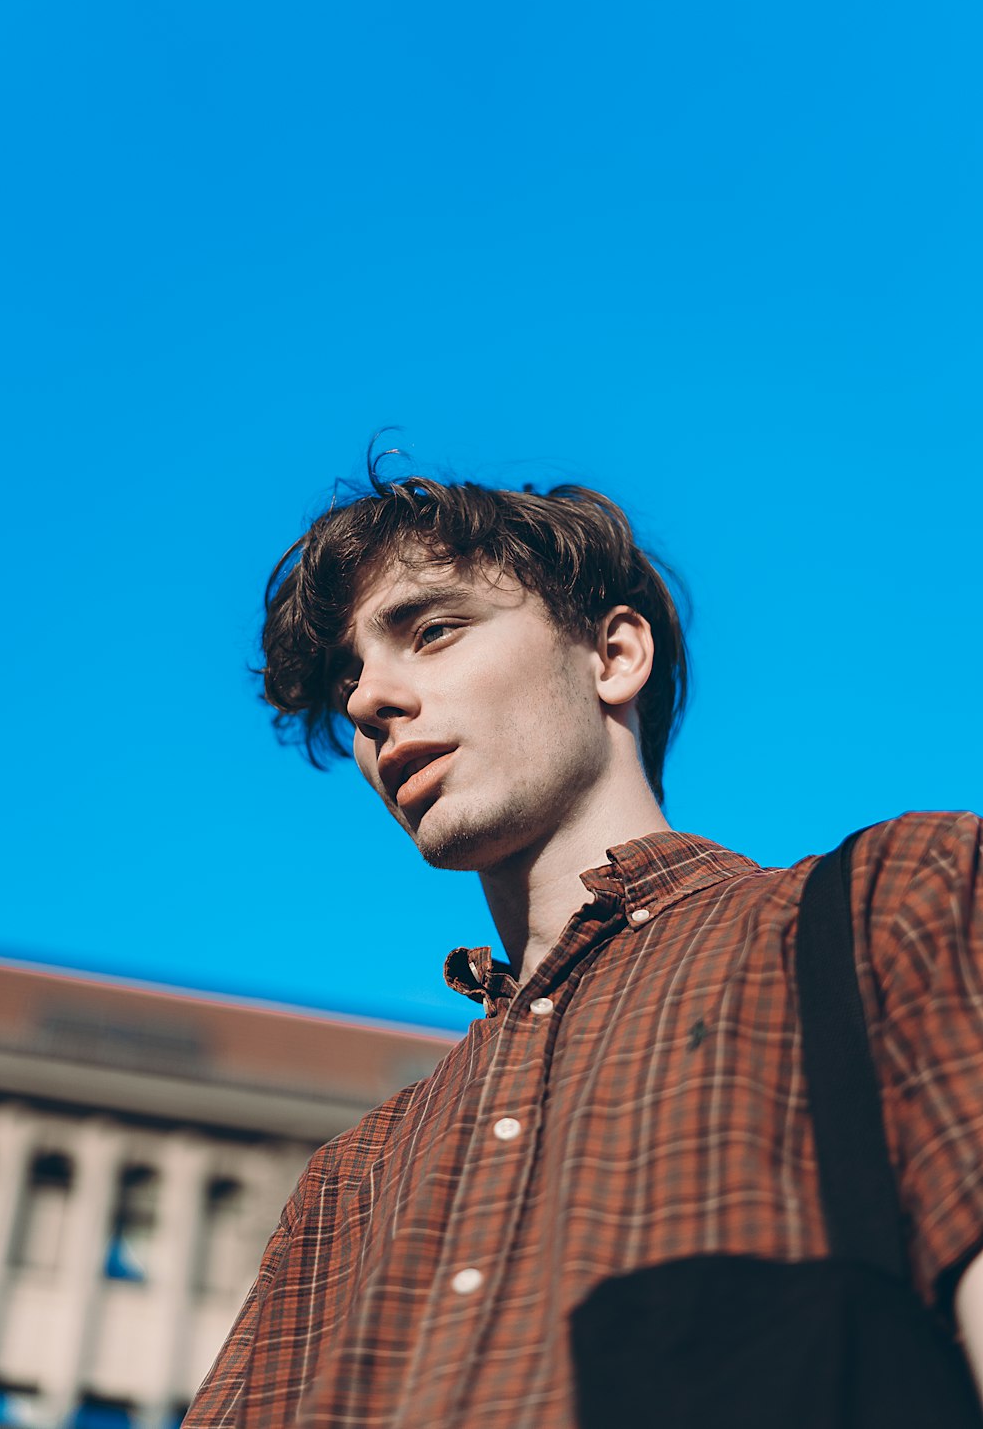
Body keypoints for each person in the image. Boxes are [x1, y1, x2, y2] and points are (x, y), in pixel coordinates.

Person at [185, 461, 983, 1428]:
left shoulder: (888, 910)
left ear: (613, 656)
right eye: (348, 676)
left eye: (432, 631)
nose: (366, 702)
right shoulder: (349, 1180)